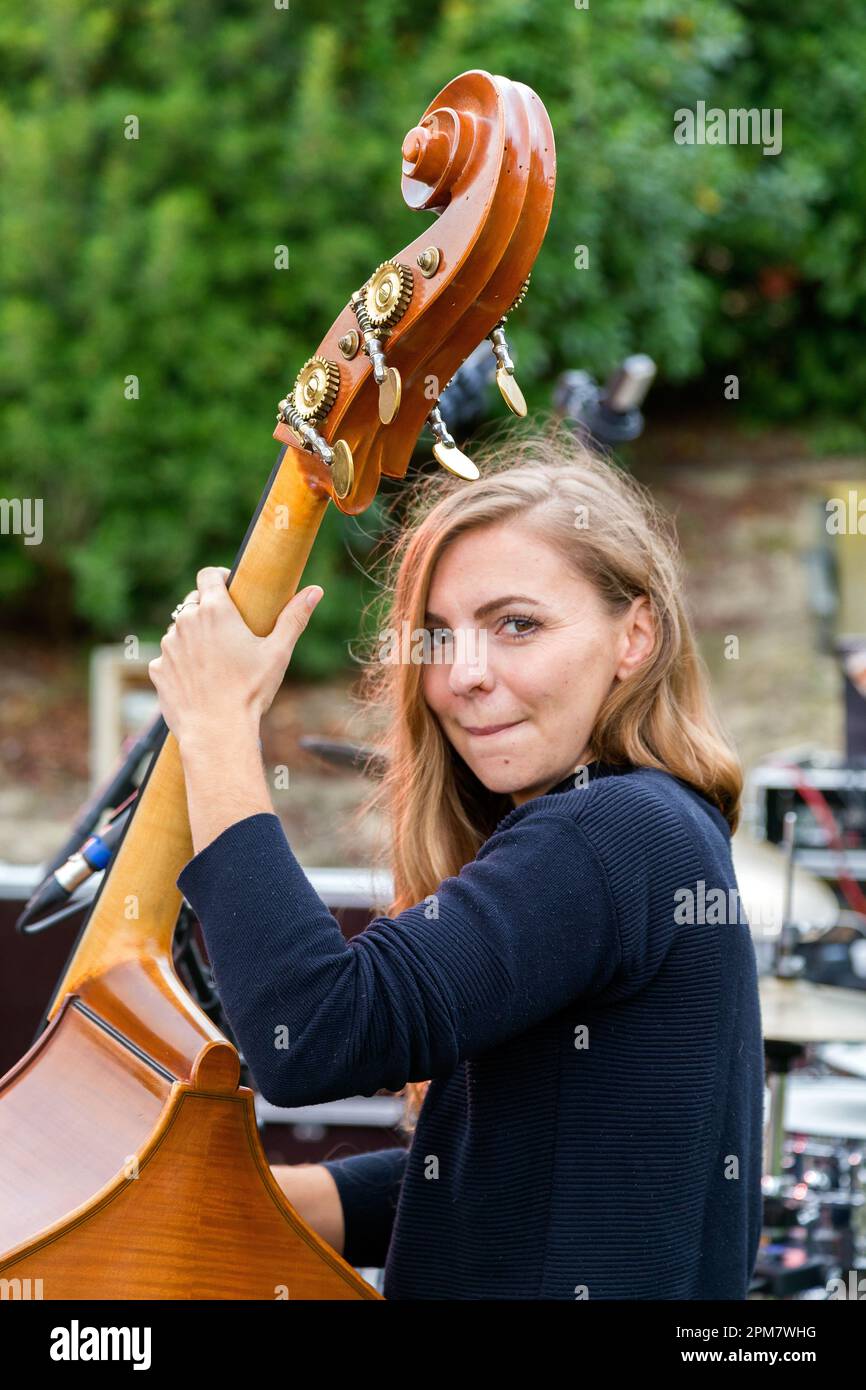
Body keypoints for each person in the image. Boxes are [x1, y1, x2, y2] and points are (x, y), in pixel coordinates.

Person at [148, 423, 765, 1300]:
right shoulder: (646, 826)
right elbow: (512, 1176)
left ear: (635, 636)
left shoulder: (611, 832)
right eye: (437, 635)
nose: (462, 673)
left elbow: (310, 1036)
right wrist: (240, 1201)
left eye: (517, 625)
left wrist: (216, 728)